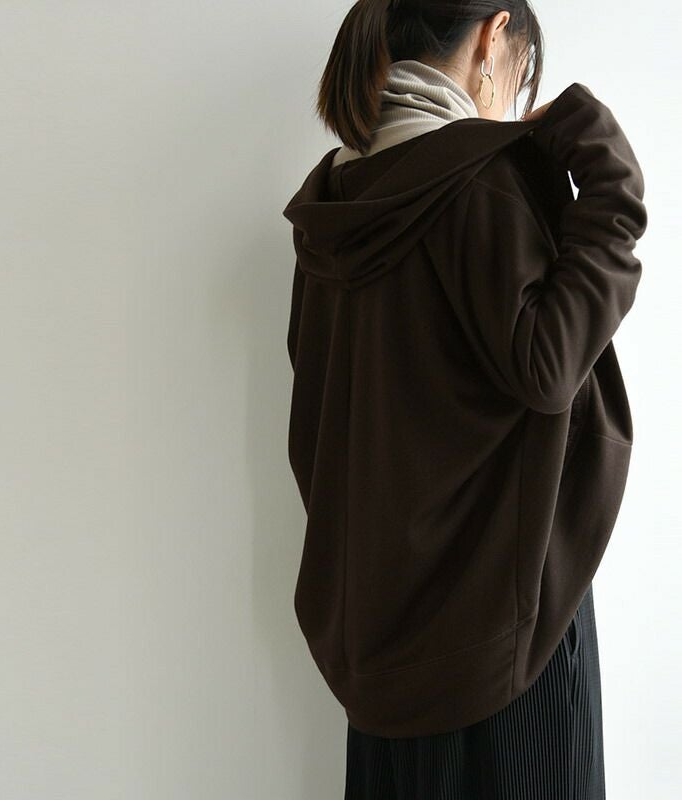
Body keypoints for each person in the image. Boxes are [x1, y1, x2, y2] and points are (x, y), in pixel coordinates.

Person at [281, 1, 648, 797]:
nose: (511, 99)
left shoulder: (334, 206)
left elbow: (320, 425)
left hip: (380, 639)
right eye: (522, 73)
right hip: (502, 645)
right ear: (494, 35)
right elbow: (549, 366)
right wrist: (606, 166)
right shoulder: (483, 179)